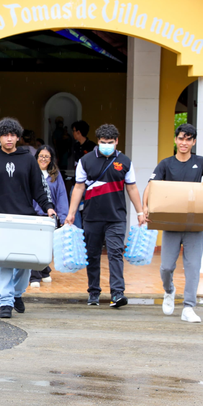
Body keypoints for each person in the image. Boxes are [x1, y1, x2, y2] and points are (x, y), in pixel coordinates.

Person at [142, 123, 203, 323]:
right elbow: (151, 186)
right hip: (171, 224)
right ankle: (169, 290)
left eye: (188, 139)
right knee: (166, 267)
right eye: (181, 138)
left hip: (194, 225)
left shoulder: (201, 162)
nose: (184, 143)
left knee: (193, 267)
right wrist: (144, 207)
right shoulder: (166, 164)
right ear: (175, 139)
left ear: (193, 142)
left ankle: (188, 307)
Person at [0, 117, 56, 319]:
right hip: (0, 220)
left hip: (24, 219)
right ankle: (5, 301)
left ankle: (17, 293)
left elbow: (39, 187)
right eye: (5, 135)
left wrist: (48, 207)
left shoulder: (28, 159)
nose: (9, 139)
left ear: (18, 137)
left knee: (23, 262)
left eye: (13, 135)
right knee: (2, 261)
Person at [65, 124, 146, 308]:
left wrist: (140, 212)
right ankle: (93, 292)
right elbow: (78, 187)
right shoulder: (86, 160)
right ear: (98, 141)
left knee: (115, 253)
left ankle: (117, 293)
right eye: (103, 142)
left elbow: (132, 187)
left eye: (110, 142)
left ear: (116, 141)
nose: (107, 145)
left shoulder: (125, 162)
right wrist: (71, 213)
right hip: (92, 216)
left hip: (116, 217)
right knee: (92, 254)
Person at [30, 145, 69, 287]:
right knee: (34, 246)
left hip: (48, 217)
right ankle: (35, 276)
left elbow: (61, 196)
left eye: (47, 157)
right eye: (41, 156)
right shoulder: (30, 173)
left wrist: (63, 217)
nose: (43, 159)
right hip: (32, 216)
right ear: (36, 157)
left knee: (45, 247)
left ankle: (44, 269)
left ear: (51, 159)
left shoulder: (55, 176)